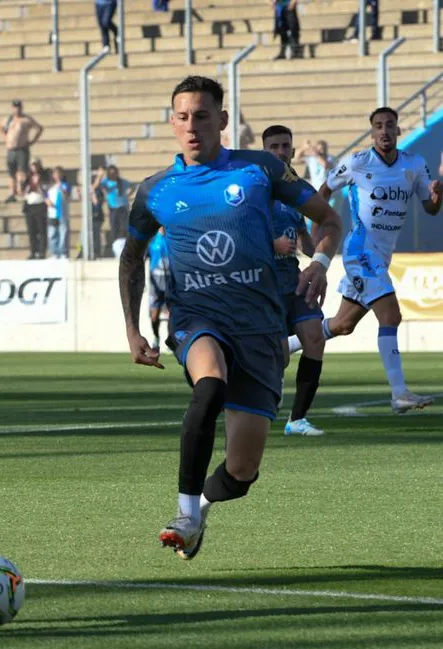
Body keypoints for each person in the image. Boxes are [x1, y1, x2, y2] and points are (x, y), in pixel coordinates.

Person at [118, 75, 342, 560]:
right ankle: (182, 511)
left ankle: (199, 507)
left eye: (202, 116)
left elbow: (329, 220)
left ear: (222, 120)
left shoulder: (260, 170)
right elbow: (131, 258)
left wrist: (320, 265)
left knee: (241, 473)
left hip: (261, 329)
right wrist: (133, 329)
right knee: (210, 383)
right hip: (197, 317)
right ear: (172, 122)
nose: (191, 126)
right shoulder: (156, 190)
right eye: (182, 117)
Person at [287, 107, 443, 413]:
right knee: (391, 316)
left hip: (381, 257)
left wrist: (440, 188)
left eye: (389, 125)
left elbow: (431, 208)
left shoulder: (413, 165)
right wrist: (317, 227)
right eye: (378, 126)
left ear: (398, 130)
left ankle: (279, 348)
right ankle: (399, 394)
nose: (384, 131)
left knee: (343, 324)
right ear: (372, 132)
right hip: (360, 251)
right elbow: (324, 190)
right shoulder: (357, 163)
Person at [262, 125, 326, 436]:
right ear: (264, 151)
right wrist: (270, 244)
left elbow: (302, 236)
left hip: (293, 277)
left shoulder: (294, 191)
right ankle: (253, 405)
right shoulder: (254, 189)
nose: (279, 152)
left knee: (315, 337)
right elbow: (234, 233)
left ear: (292, 150)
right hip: (263, 282)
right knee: (279, 356)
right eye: (273, 146)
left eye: (284, 146)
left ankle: (297, 419)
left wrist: (318, 264)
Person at [0, 100, 43, 203]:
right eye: (15, 107)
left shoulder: (26, 119)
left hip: (21, 149)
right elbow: (1, 127)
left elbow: (39, 128)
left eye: (19, 107)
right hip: (10, 149)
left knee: (21, 172)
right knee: (11, 173)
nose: (17, 109)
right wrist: (5, 137)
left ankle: (22, 192)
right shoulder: (8, 119)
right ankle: (12, 193)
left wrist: (32, 141)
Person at [97, 164, 132, 254]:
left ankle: (126, 248)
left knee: (125, 227)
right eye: (111, 173)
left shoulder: (121, 182)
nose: (113, 175)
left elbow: (132, 186)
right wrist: (99, 176)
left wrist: (128, 194)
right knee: (114, 228)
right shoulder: (106, 182)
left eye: (114, 173)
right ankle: (116, 248)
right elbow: (97, 186)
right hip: (113, 208)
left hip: (123, 207)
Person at [146, 226, 169, 351]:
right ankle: (156, 338)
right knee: (154, 316)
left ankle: (171, 340)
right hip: (155, 284)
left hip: (171, 282)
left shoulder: (172, 240)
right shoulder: (152, 242)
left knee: (173, 314)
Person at [22, 160, 48, 259]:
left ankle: (42, 252)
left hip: (40, 204)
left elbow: (45, 190)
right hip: (30, 205)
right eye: (32, 165)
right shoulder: (28, 178)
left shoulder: (44, 176)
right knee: (31, 231)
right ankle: (33, 251)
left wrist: (38, 184)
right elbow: (22, 192)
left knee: (41, 230)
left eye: (36, 165)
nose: (34, 167)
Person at [45, 166, 70, 259]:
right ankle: (54, 252)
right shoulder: (50, 186)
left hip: (62, 213)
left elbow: (67, 195)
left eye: (59, 174)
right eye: (55, 174)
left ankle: (63, 252)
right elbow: (46, 196)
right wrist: (47, 201)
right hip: (52, 213)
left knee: (63, 233)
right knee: (52, 233)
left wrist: (62, 188)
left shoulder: (65, 185)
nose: (57, 176)